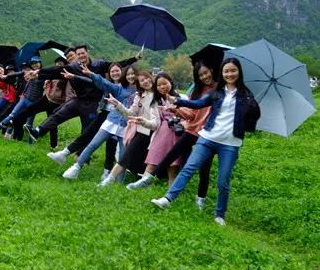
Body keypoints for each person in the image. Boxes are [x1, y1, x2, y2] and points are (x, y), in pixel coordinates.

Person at [150, 58, 261, 227]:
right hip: (208, 137)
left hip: (230, 144)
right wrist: (177, 101)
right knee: (188, 168)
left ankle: (219, 215)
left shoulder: (246, 95)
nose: (229, 74)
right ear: (221, 73)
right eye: (226, 71)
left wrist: (253, 108)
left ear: (239, 72)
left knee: (223, 181)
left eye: (233, 70)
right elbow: (198, 104)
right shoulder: (216, 91)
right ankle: (167, 199)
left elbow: (253, 119)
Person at [127, 62, 217, 201]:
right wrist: (175, 110)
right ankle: (154, 183)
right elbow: (191, 114)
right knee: (172, 157)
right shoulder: (196, 91)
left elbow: (197, 106)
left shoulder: (219, 90)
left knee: (202, 167)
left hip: (207, 133)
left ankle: (201, 198)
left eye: (206, 73)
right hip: (192, 130)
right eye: (200, 74)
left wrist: (178, 103)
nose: (204, 76)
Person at [23, 44, 141, 144]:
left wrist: (134, 58)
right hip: (78, 100)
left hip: (93, 104)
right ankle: (38, 131)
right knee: (58, 114)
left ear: (87, 53)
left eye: (82, 53)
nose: (81, 56)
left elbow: (118, 64)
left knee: (86, 131)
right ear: (77, 56)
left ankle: (83, 156)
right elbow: (57, 71)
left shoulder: (99, 64)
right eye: (78, 54)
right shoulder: (74, 67)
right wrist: (39, 72)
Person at [59, 63, 137, 181]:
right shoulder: (119, 88)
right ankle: (76, 167)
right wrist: (91, 74)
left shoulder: (141, 92)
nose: (131, 76)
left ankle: (119, 182)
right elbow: (105, 83)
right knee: (93, 144)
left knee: (123, 155)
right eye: (129, 74)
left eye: (133, 74)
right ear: (125, 76)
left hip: (126, 126)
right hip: (112, 121)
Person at [97, 70, 162, 186]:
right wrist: (118, 105)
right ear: (139, 85)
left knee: (150, 160)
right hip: (143, 131)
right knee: (128, 155)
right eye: (142, 81)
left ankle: (144, 183)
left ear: (151, 78)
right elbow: (130, 113)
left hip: (159, 133)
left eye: (147, 78)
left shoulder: (160, 93)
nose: (146, 81)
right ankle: (109, 179)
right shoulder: (140, 97)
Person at [0, 57, 45, 136]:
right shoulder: (28, 73)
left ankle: (30, 138)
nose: (35, 65)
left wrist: (41, 79)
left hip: (33, 101)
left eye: (36, 63)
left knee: (27, 123)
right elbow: (17, 74)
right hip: (24, 98)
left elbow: (43, 83)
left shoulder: (44, 74)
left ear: (40, 63)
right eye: (33, 63)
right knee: (12, 115)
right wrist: (4, 76)